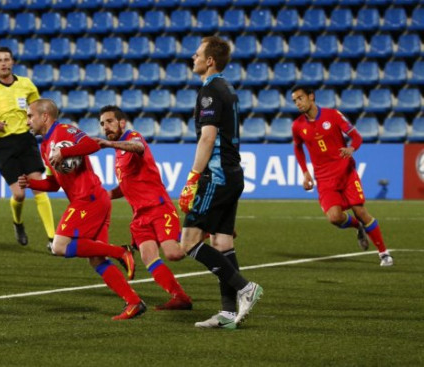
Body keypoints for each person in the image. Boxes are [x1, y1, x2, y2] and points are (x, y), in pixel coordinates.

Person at [18, 99, 145, 320]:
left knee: (59, 246)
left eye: (30, 116)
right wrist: (32, 184)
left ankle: (120, 251)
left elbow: (93, 144)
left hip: (89, 199)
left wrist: (65, 153)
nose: (28, 121)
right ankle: (134, 302)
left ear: (45, 116)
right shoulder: (45, 145)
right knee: (96, 259)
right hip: (92, 200)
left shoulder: (64, 130)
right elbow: (54, 183)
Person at [177, 36, 263, 329]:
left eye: (198, 53)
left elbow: (208, 136)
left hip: (217, 174)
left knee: (188, 242)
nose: (193, 57)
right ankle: (228, 313)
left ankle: (244, 287)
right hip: (232, 172)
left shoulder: (211, 91)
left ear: (210, 60)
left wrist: (192, 179)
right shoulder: (227, 88)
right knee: (222, 241)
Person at [95, 105, 193, 311]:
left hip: (158, 207)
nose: (105, 126)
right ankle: (180, 296)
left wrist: (109, 144)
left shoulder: (133, 137)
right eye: (102, 123)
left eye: (110, 121)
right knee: (148, 256)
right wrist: (106, 195)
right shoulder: (119, 153)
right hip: (139, 215)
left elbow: (138, 147)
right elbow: (126, 185)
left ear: (122, 123)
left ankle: (203, 231)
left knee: (173, 253)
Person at [290, 86, 393, 267]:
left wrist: (351, 148)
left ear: (311, 96)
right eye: (295, 100)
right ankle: (358, 227)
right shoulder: (297, 125)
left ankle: (384, 253)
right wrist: (305, 172)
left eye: (300, 98)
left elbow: (357, 137)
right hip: (324, 179)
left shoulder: (333, 115)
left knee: (360, 211)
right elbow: (297, 148)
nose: (298, 103)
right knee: (335, 218)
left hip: (346, 172)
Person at [0, 47, 55, 249]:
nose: (3, 63)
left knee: (38, 188)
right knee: (19, 194)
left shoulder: (26, 84)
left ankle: (53, 239)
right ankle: (18, 223)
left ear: (12, 62)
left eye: (6, 59)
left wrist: (40, 128)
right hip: (2, 145)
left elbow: (38, 111)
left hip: (25, 141)